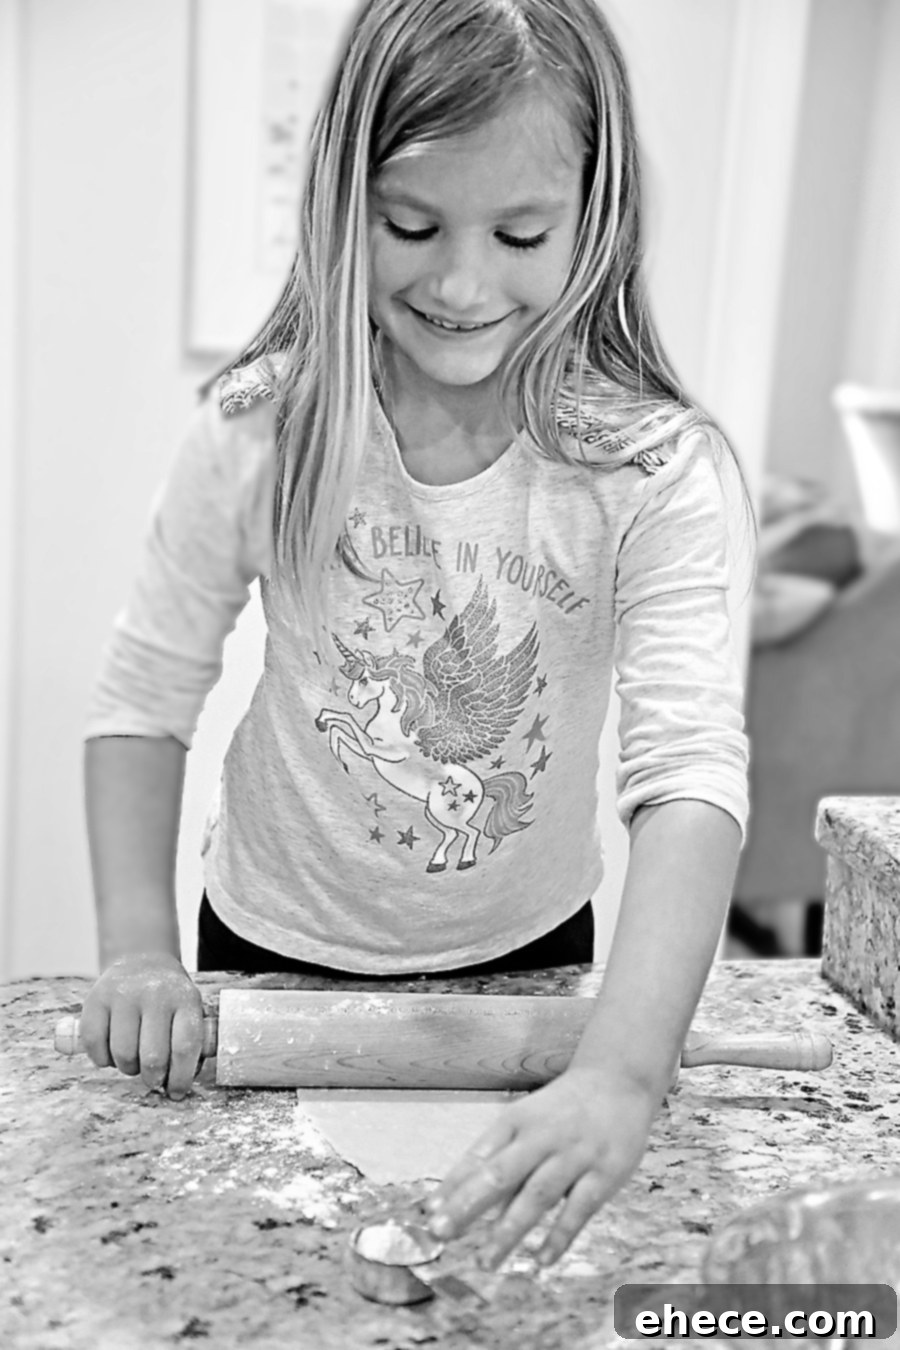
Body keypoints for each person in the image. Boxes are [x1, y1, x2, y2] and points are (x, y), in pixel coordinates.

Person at [81, 0, 751, 1272]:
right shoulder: (262, 428)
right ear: (344, 203)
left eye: (519, 234)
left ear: (596, 214)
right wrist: (135, 953)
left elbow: (688, 776)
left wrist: (621, 1068)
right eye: (411, 225)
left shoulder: (647, 469)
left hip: (527, 963)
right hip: (270, 951)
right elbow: (141, 703)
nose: (459, 283)